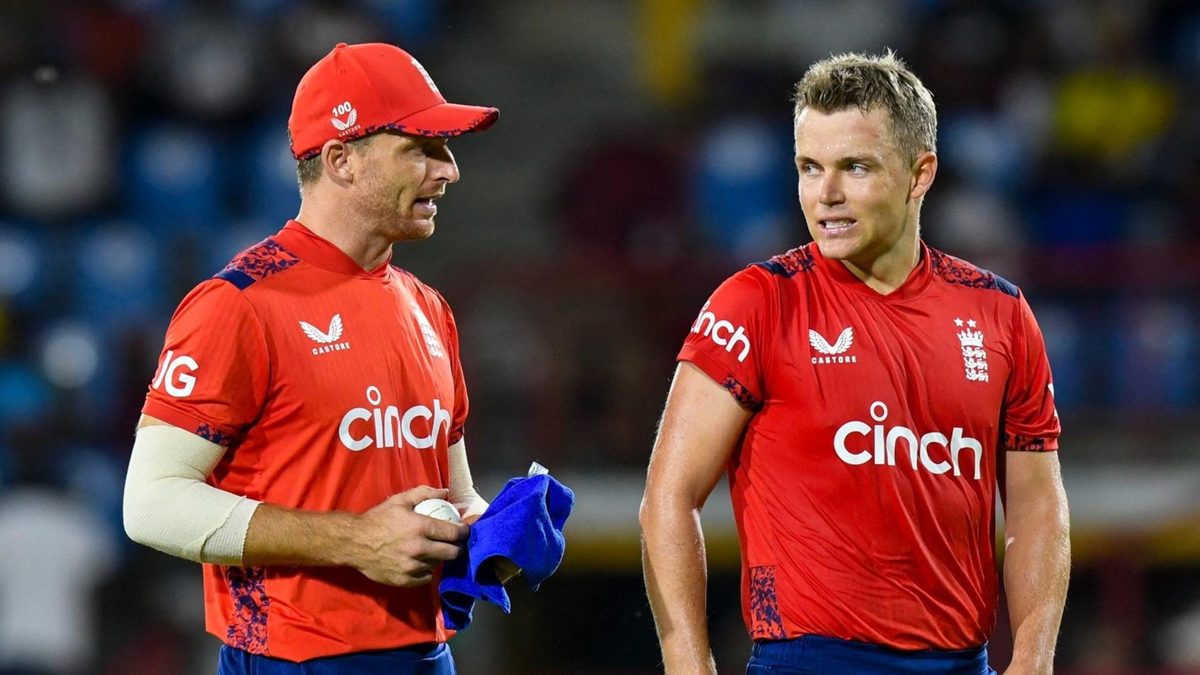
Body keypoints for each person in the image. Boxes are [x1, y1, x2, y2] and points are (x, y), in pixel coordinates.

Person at [640, 51, 1070, 674]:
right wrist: (689, 666)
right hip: (807, 659)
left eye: (855, 167)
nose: (827, 194)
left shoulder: (999, 314)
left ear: (920, 174)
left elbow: (1036, 505)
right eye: (809, 168)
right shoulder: (756, 304)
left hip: (961, 662)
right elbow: (668, 497)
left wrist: (1033, 660)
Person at [122, 42, 500, 674]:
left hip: (429, 656)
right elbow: (151, 503)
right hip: (292, 658)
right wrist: (355, 541)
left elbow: (452, 497)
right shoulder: (237, 304)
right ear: (341, 160)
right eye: (422, 148)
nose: (449, 170)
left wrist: (495, 536)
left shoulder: (428, 306)